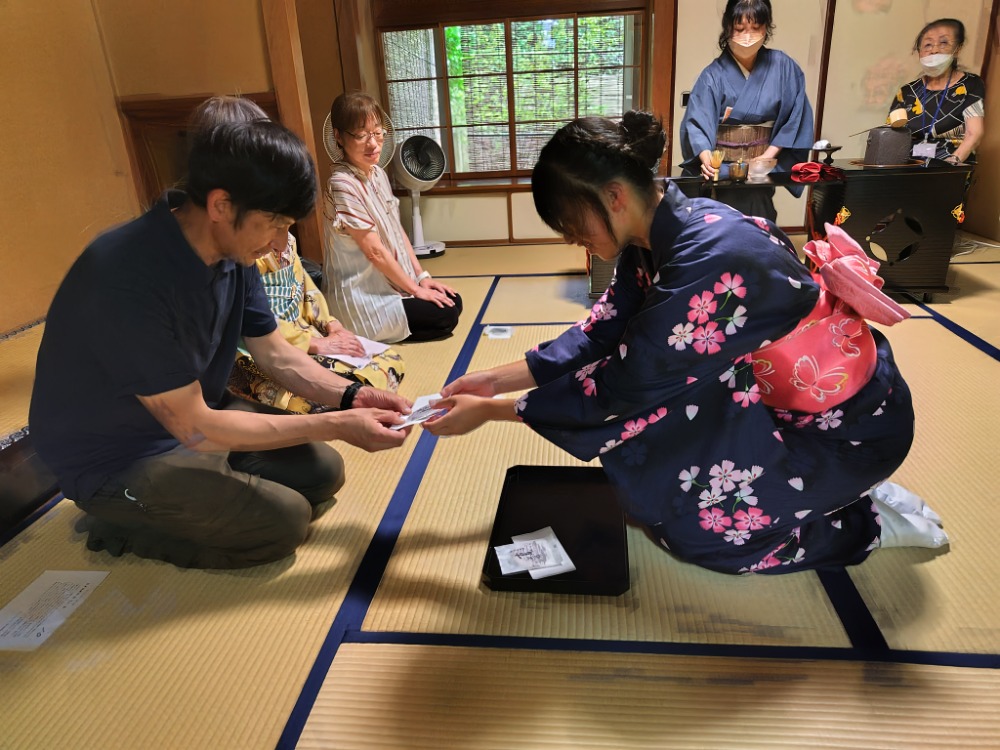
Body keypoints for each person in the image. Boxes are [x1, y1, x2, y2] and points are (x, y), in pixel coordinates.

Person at [423, 112, 949, 576]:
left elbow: (622, 387)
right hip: (775, 408)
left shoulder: (714, 256)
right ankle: (827, 498)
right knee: (658, 472)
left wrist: (491, 411)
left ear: (613, 197)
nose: (570, 238)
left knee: (708, 535)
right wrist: (491, 380)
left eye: (570, 222)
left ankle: (862, 522)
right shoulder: (655, 241)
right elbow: (600, 333)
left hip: (844, 433)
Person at [29, 117, 413, 569]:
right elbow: (196, 429)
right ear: (220, 205)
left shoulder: (234, 253)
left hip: (195, 415)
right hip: (115, 456)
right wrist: (335, 424)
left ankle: (203, 482)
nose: (280, 244)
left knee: (322, 473)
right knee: (283, 524)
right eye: (274, 225)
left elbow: (275, 353)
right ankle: (120, 521)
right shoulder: (126, 276)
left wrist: (353, 397)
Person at [185, 96, 407, 412]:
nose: (279, 241)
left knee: (384, 366)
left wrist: (330, 324)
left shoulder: (260, 238)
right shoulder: (233, 252)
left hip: (292, 338)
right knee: (310, 401)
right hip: (259, 356)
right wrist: (315, 345)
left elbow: (303, 291)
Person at [322, 92, 462, 343]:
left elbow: (397, 230)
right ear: (338, 137)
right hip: (364, 295)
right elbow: (374, 252)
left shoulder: (378, 174)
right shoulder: (341, 184)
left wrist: (422, 278)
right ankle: (364, 330)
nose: (373, 144)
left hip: (393, 281)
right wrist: (415, 290)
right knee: (445, 314)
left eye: (377, 132)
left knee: (452, 300)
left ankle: (408, 307)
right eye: (361, 135)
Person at [679, 0, 814, 220]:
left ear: (766, 28)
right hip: (722, 169)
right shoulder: (712, 75)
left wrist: (766, 157)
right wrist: (706, 159)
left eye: (756, 28)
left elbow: (795, 118)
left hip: (763, 165)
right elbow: (696, 123)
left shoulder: (784, 67)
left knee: (759, 218)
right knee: (720, 223)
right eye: (740, 28)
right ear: (728, 28)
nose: (748, 36)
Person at [887, 18, 984, 165]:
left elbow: (974, 133)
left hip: (951, 166)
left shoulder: (970, 84)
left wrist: (952, 163)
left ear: (957, 49)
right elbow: (890, 136)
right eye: (927, 45)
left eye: (943, 43)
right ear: (919, 52)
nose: (934, 50)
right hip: (908, 167)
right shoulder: (906, 92)